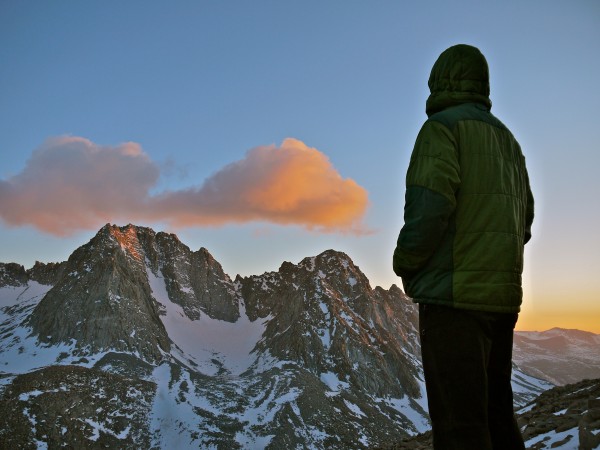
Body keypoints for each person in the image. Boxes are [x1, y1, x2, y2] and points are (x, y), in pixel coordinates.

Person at [393, 44, 534, 450]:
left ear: (439, 80)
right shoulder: (508, 142)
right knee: (496, 417)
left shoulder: (441, 129)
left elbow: (430, 205)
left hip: (452, 300)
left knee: (459, 426)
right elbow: (524, 219)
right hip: (501, 302)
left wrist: (407, 264)